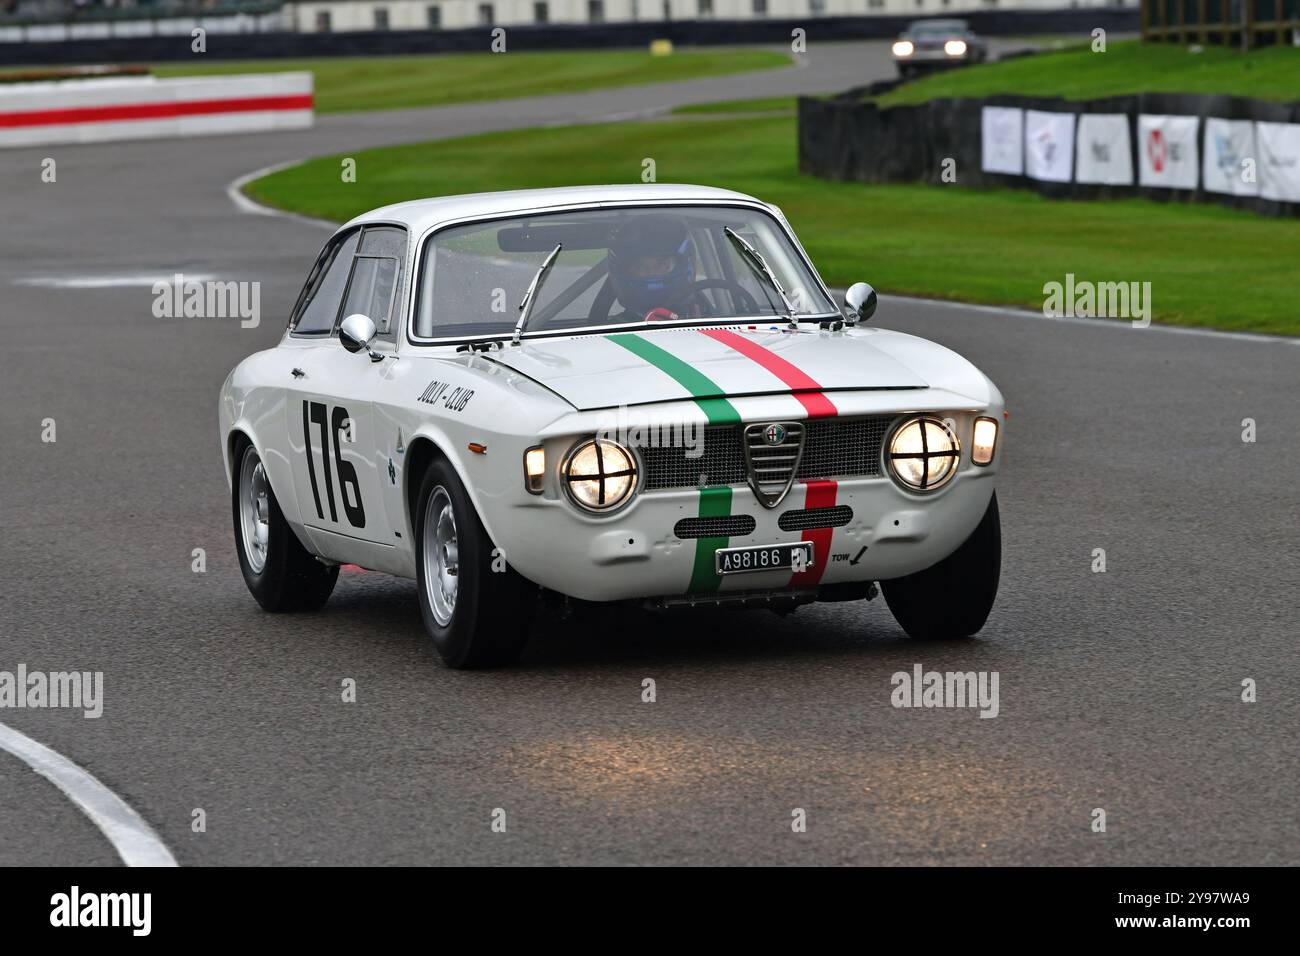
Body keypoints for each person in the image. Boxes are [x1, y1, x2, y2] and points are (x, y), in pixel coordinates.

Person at [605, 214, 699, 321]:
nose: (652, 273)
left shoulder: (712, 316)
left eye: (662, 265)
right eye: (640, 266)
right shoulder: (612, 333)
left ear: (682, 265)